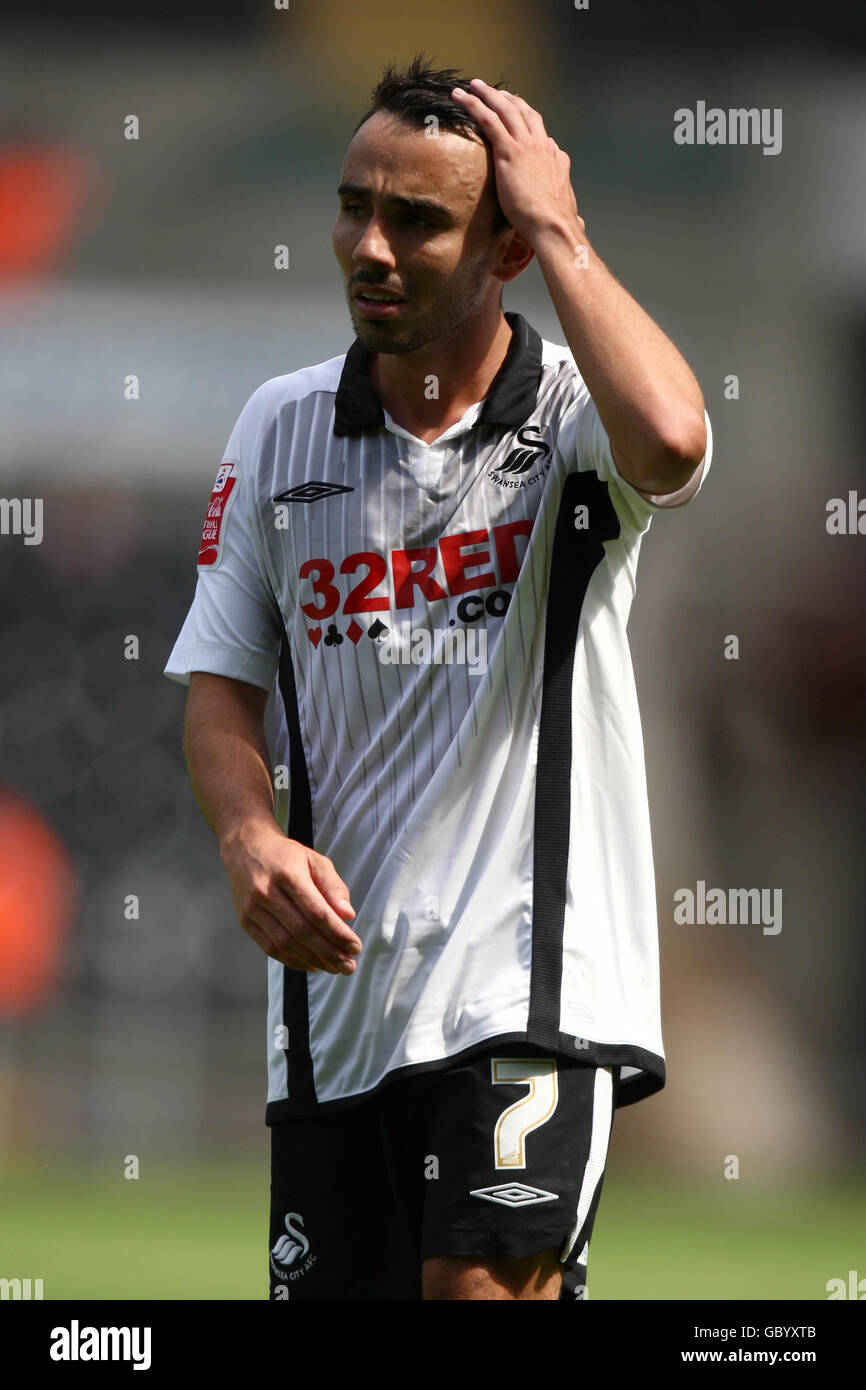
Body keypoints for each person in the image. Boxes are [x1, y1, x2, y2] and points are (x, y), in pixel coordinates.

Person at [164, 57, 712, 1301]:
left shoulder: (576, 423)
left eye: (414, 220)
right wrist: (247, 833)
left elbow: (675, 440)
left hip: (531, 989)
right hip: (337, 1010)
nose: (368, 244)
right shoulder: (276, 430)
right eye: (353, 206)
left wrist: (562, 222)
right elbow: (218, 688)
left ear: (505, 251)